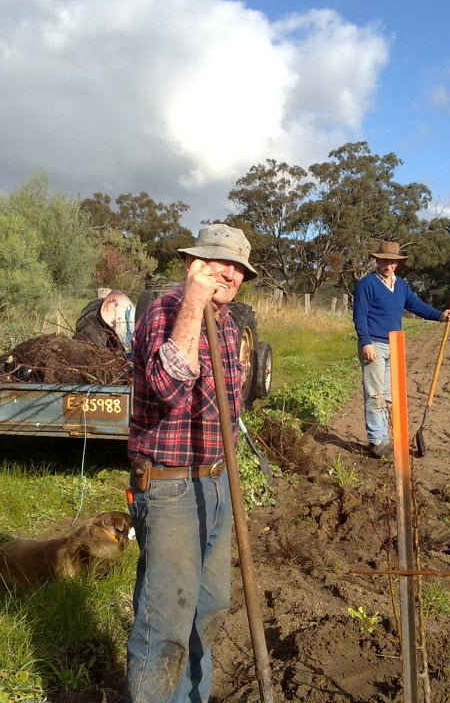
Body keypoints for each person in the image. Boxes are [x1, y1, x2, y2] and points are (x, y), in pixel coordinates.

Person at [124, 223, 257, 703]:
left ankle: (192, 697)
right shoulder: (164, 312)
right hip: (171, 487)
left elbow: (228, 409)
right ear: (192, 264)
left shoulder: (227, 321)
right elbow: (168, 388)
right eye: (219, 262)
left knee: (211, 605)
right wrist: (193, 305)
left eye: (238, 267)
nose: (230, 273)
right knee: (166, 622)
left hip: (217, 483)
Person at [353, 240, 450, 458]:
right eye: (383, 261)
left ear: (397, 264)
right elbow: (359, 316)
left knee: (389, 396)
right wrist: (366, 342)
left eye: (391, 262)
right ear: (377, 260)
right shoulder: (367, 284)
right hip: (375, 345)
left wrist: (440, 315)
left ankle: (386, 438)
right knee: (375, 395)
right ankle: (377, 441)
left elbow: (416, 305)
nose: (387, 265)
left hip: (395, 345)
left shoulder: (401, 286)